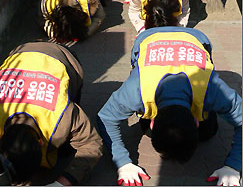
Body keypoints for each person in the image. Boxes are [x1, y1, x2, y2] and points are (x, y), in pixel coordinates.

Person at [97, 27, 242, 186]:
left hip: (198, 38)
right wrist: (123, 162)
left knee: (208, 132)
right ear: (195, 122)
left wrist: (234, 166)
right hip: (147, 38)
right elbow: (105, 117)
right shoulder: (135, 90)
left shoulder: (213, 89)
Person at [0, 42, 103, 186]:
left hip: (63, 56)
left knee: (65, 151)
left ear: (41, 142)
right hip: (18, 53)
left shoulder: (63, 115)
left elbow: (92, 144)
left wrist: (63, 182)